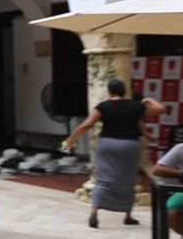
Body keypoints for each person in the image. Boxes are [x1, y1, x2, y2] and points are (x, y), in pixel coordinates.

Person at [65, 79, 167, 228]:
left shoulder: (103, 106)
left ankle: (94, 211)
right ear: (124, 91)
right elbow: (161, 109)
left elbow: (87, 124)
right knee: (128, 177)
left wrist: (71, 139)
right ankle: (128, 215)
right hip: (129, 145)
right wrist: (148, 99)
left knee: (103, 178)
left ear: (110, 91)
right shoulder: (135, 106)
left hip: (107, 144)